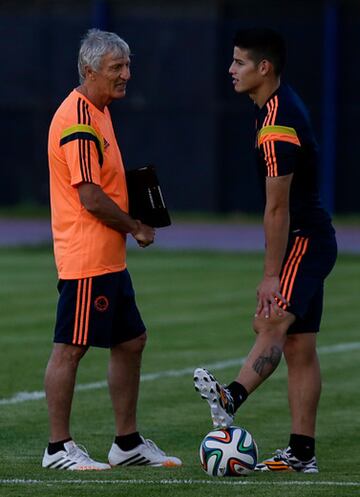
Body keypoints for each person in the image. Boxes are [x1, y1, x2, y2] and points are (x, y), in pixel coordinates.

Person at [194, 27, 337, 474]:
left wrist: (271, 275)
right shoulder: (271, 108)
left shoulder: (276, 124)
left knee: (270, 319)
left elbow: (278, 210)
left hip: (303, 241)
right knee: (299, 347)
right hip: (311, 238)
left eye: (238, 62)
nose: (230, 70)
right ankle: (301, 454)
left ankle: (230, 397)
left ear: (264, 68)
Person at [42, 28, 182, 470]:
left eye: (127, 65)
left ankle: (126, 444)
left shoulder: (99, 110)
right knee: (71, 348)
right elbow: (90, 196)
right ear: (89, 71)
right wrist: (136, 226)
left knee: (131, 341)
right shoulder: (79, 120)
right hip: (87, 257)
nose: (126, 74)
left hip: (107, 257)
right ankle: (58, 448)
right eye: (115, 68)